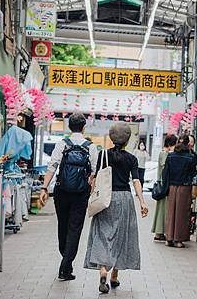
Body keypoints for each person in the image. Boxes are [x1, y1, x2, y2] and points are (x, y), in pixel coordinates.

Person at [84, 123, 148, 294]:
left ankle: (103, 269)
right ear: (127, 139)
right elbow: (136, 181)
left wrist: (91, 198)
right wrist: (142, 202)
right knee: (121, 236)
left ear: (111, 138)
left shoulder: (103, 154)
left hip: (105, 198)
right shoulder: (131, 159)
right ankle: (114, 276)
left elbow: (96, 179)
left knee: (102, 233)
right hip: (124, 199)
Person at [40, 113, 98, 281]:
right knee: (75, 228)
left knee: (63, 226)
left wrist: (44, 188)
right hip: (81, 194)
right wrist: (90, 190)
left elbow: (52, 167)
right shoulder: (91, 147)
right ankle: (66, 265)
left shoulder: (62, 144)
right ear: (84, 127)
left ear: (69, 127)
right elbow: (94, 172)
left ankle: (65, 260)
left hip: (61, 192)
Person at [163, 135, 197, 248]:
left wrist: (166, 186)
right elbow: (193, 173)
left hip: (172, 187)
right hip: (184, 187)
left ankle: (169, 238)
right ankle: (178, 240)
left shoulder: (170, 156)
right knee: (181, 214)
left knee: (171, 213)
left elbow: (165, 173)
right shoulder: (190, 157)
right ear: (188, 144)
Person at [151, 134, 178, 241]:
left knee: (162, 209)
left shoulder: (166, 153)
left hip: (164, 183)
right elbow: (165, 166)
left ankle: (160, 232)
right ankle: (159, 232)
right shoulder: (164, 153)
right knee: (162, 209)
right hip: (163, 184)